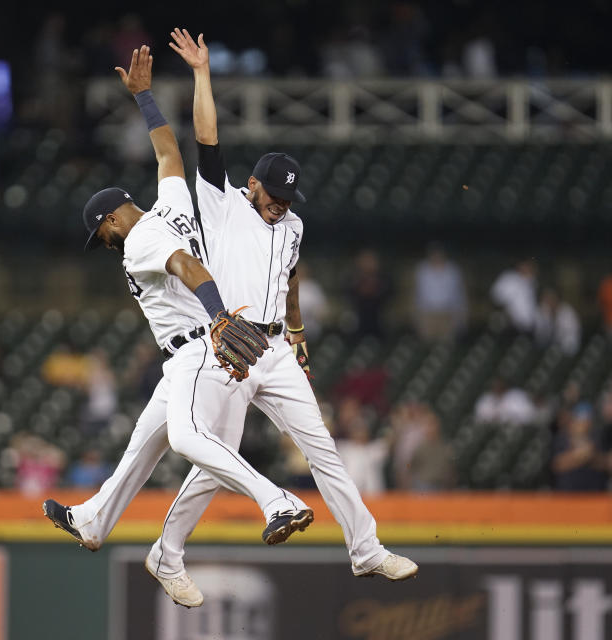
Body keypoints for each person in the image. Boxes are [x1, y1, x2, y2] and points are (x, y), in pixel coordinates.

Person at [145, 27, 415, 594]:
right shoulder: (222, 205)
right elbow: (206, 136)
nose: (280, 207)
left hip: (276, 349)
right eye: (273, 197)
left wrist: (296, 332)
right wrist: (201, 75)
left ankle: (366, 550)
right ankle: (167, 553)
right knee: (214, 459)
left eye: (287, 199)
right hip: (227, 343)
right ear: (251, 186)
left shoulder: (292, 224)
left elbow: (290, 279)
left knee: (324, 449)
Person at [43, 46, 315, 596]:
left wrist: (216, 318)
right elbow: (168, 150)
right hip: (208, 348)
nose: (105, 241)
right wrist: (144, 97)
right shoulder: (170, 201)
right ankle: (105, 524)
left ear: (114, 216)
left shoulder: (138, 240)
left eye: (102, 232)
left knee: (192, 439)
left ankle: (276, 499)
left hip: (203, 346)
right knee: (146, 442)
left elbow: (187, 267)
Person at [412, 243, 467, 341]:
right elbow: (418, 293)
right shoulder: (423, 270)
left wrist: (460, 315)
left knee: (446, 343)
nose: (436, 257)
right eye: (434, 254)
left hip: (447, 312)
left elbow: (458, 294)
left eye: (439, 254)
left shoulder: (452, 270)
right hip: (428, 313)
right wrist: (417, 316)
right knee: (427, 343)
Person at [490, 258, 537, 333]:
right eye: (526, 265)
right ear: (520, 265)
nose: (529, 268)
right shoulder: (509, 278)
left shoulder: (531, 281)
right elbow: (495, 296)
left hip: (528, 327)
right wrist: (506, 312)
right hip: (511, 325)